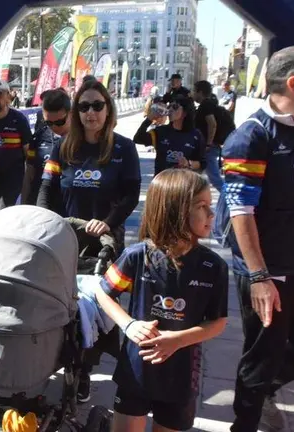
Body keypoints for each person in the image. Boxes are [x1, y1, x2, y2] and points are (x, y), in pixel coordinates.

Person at [222, 45, 294, 432]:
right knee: (262, 355)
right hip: (267, 271)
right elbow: (241, 212)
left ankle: (267, 391)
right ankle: (245, 420)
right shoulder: (251, 138)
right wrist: (259, 277)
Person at [95, 169, 228, 432]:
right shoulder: (137, 256)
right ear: (174, 211)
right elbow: (103, 292)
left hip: (180, 378)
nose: (211, 214)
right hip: (136, 372)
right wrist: (129, 324)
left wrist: (178, 340)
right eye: (202, 206)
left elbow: (218, 322)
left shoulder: (213, 267)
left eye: (210, 206)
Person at [36, 80, 141, 402]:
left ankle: (83, 370)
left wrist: (107, 222)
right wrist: (42, 224)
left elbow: (130, 195)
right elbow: (46, 190)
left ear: (108, 109)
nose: (91, 112)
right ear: (75, 111)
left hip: (105, 242)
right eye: (84, 106)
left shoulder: (124, 148)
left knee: (96, 309)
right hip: (65, 239)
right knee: (59, 302)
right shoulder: (63, 147)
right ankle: (56, 357)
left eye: (97, 105)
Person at [0, 79, 33, 214]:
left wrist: (31, 178)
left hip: (12, 179)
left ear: (8, 96)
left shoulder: (19, 119)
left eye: (0, 94)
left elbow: (28, 151)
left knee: (4, 213)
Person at [134, 95, 205, 175]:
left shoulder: (196, 135)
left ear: (185, 112)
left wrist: (188, 163)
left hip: (184, 183)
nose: (170, 109)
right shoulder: (161, 131)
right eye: (169, 106)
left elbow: (202, 163)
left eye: (175, 107)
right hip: (162, 183)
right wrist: (149, 119)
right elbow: (138, 138)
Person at [23, 89, 71, 205]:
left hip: (67, 205)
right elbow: (29, 172)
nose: (54, 127)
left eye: (60, 122)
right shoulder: (38, 137)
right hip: (40, 200)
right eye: (49, 123)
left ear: (71, 114)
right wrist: (23, 204)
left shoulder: (85, 139)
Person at [192, 81, 225, 191]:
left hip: (208, 147)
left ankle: (230, 201)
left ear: (200, 92)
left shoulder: (206, 105)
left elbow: (212, 124)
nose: (193, 93)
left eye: (194, 91)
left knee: (214, 178)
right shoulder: (207, 104)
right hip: (205, 146)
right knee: (194, 176)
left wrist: (208, 143)